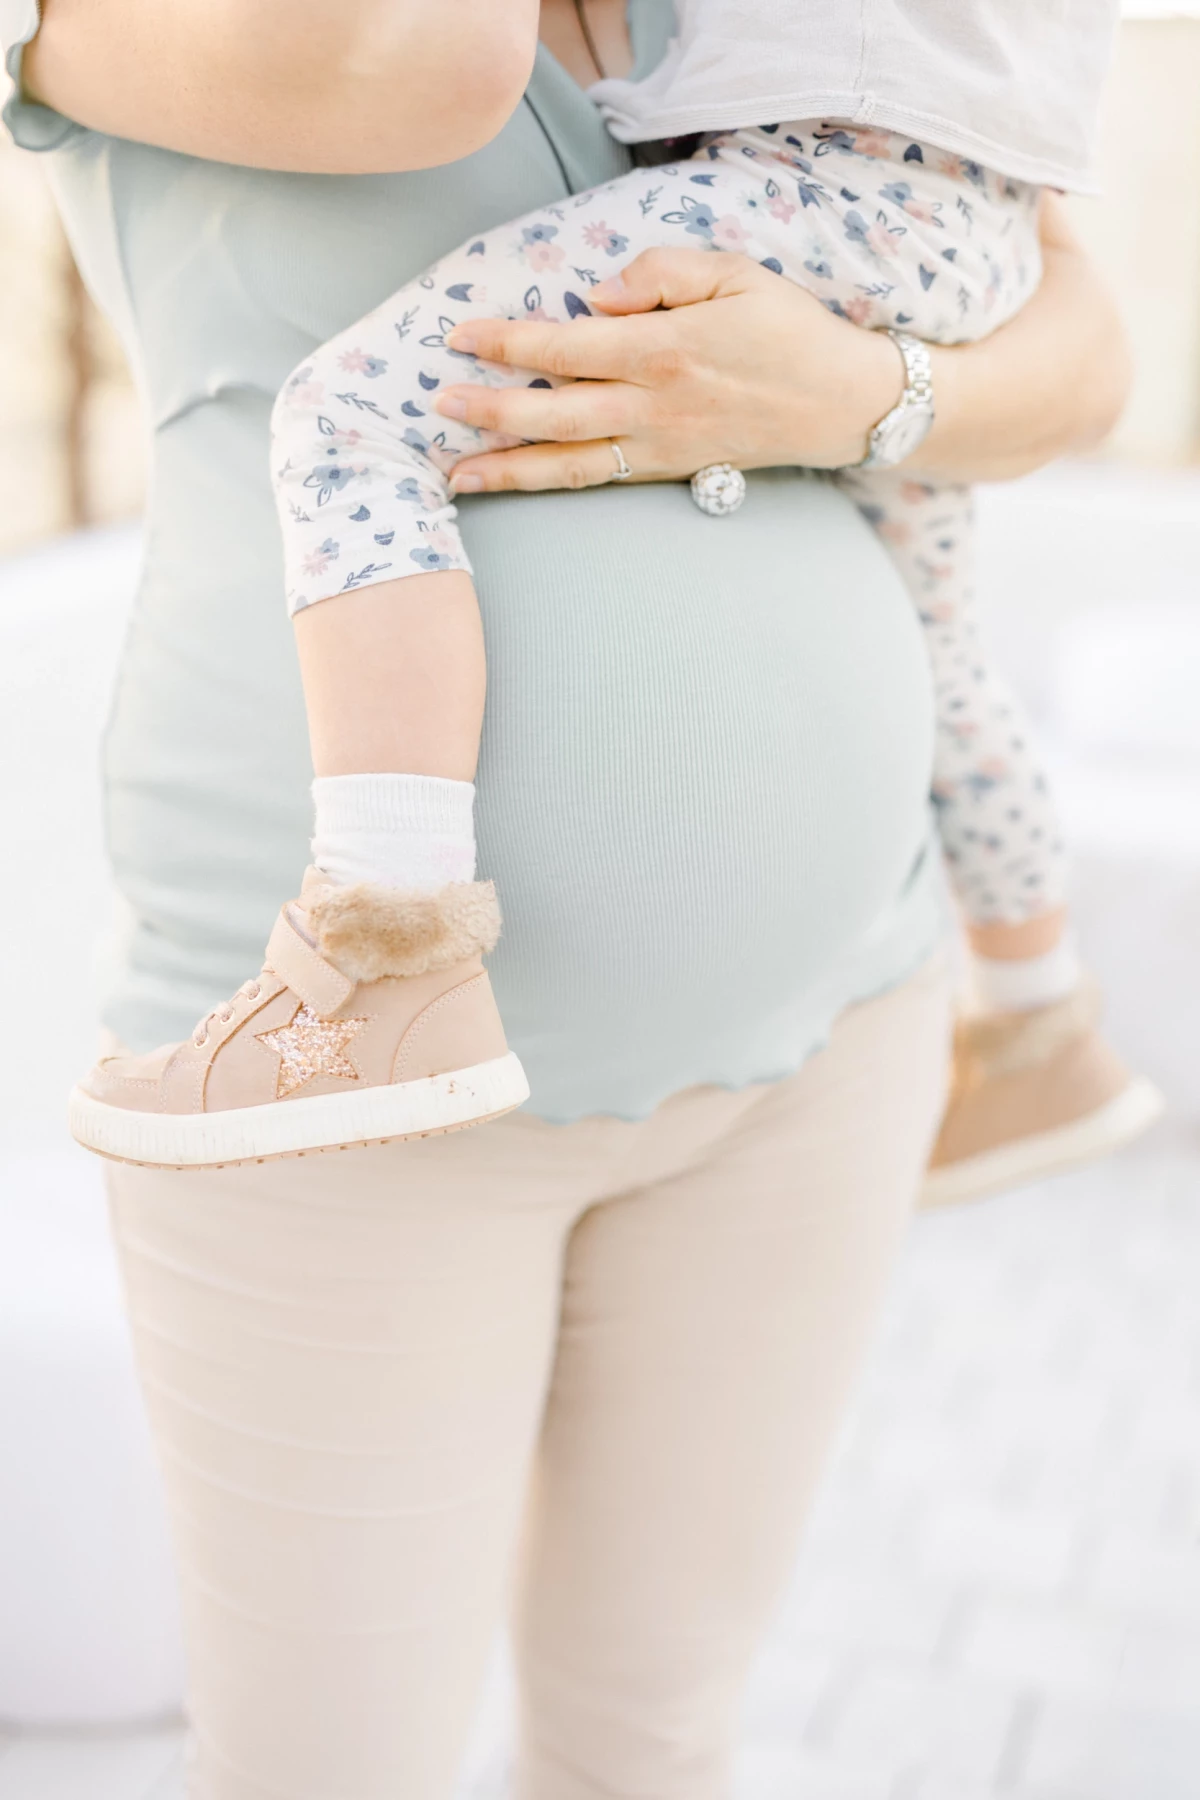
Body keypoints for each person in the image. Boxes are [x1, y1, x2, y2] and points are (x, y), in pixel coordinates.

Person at [5, 0, 1132, 1794]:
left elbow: (1079, 341)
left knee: (653, 1735)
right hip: (345, 1122)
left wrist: (868, 395)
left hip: (832, 1023)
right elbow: (432, 64)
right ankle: (381, 945)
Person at [64, 0, 1161, 1196]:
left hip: (821, 193)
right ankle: (1037, 1007)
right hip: (950, 232)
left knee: (349, 417)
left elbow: (1097, 365)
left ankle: (389, 948)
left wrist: (863, 392)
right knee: (946, 654)